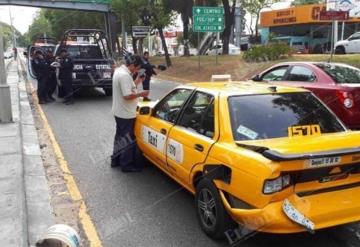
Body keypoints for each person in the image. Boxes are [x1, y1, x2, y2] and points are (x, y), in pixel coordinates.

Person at [111, 54, 149, 172]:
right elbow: (127, 95)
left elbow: (127, 88)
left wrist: (138, 81)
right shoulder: (124, 76)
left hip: (119, 111)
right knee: (127, 139)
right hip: (126, 113)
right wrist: (141, 94)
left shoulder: (119, 71)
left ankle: (115, 160)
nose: (137, 70)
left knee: (120, 137)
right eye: (137, 68)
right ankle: (126, 165)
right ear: (132, 65)